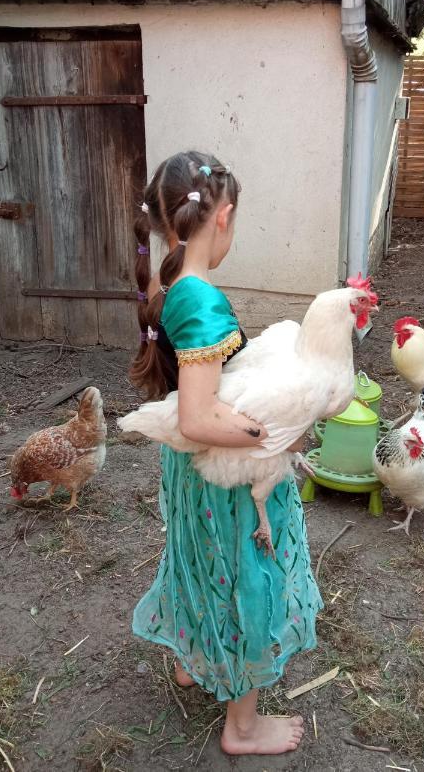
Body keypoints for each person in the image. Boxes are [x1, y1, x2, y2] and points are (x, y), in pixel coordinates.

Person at [130, 151, 322, 755]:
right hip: (225, 474)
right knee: (246, 576)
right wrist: (271, 435)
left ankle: (194, 657)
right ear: (225, 216)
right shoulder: (204, 301)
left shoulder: (172, 281)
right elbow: (198, 415)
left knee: (196, 559)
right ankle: (242, 727)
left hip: (192, 471)